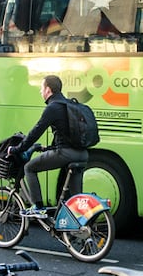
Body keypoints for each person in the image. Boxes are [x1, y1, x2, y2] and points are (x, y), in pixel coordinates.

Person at [9, 74, 88, 218]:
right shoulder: (69, 104)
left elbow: (35, 132)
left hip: (66, 154)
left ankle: (38, 207)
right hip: (82, 154)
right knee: (77, 199)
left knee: (29, 168)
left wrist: (18, 148)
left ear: (48, 90)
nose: (40, 91)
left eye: (41, 88)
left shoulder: (53, 107)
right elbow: (65, 135)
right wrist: (48, 148)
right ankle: (81, 230)